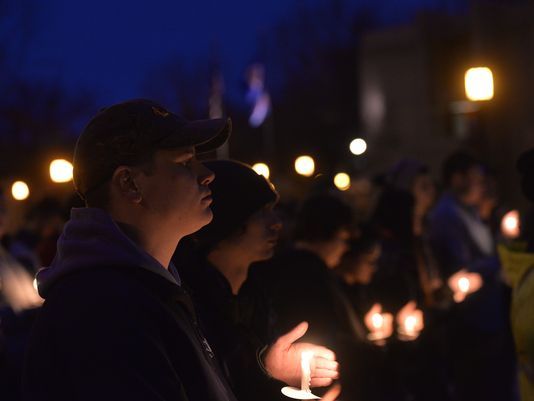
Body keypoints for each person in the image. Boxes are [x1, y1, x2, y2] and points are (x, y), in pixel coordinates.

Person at [21, 99, 341, 401]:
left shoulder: (152, 288)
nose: (207, 174)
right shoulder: (103, 309)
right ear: (130, 184)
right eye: (186, 162)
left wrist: (267, 372)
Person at [175, 160, 339, 401]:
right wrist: (266, 368)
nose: (277, 223)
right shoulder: (192, 304)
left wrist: (275, 369)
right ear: (229, 219)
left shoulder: (259, 293)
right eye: (262, 212)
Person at [427, 151, 517, 401]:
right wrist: (502, 253)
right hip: (472, 322)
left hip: (487, 317)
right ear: (458, 179)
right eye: (476, 178)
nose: (482, 185)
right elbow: (465, 270)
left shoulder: (469, 211)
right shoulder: (447, 215)